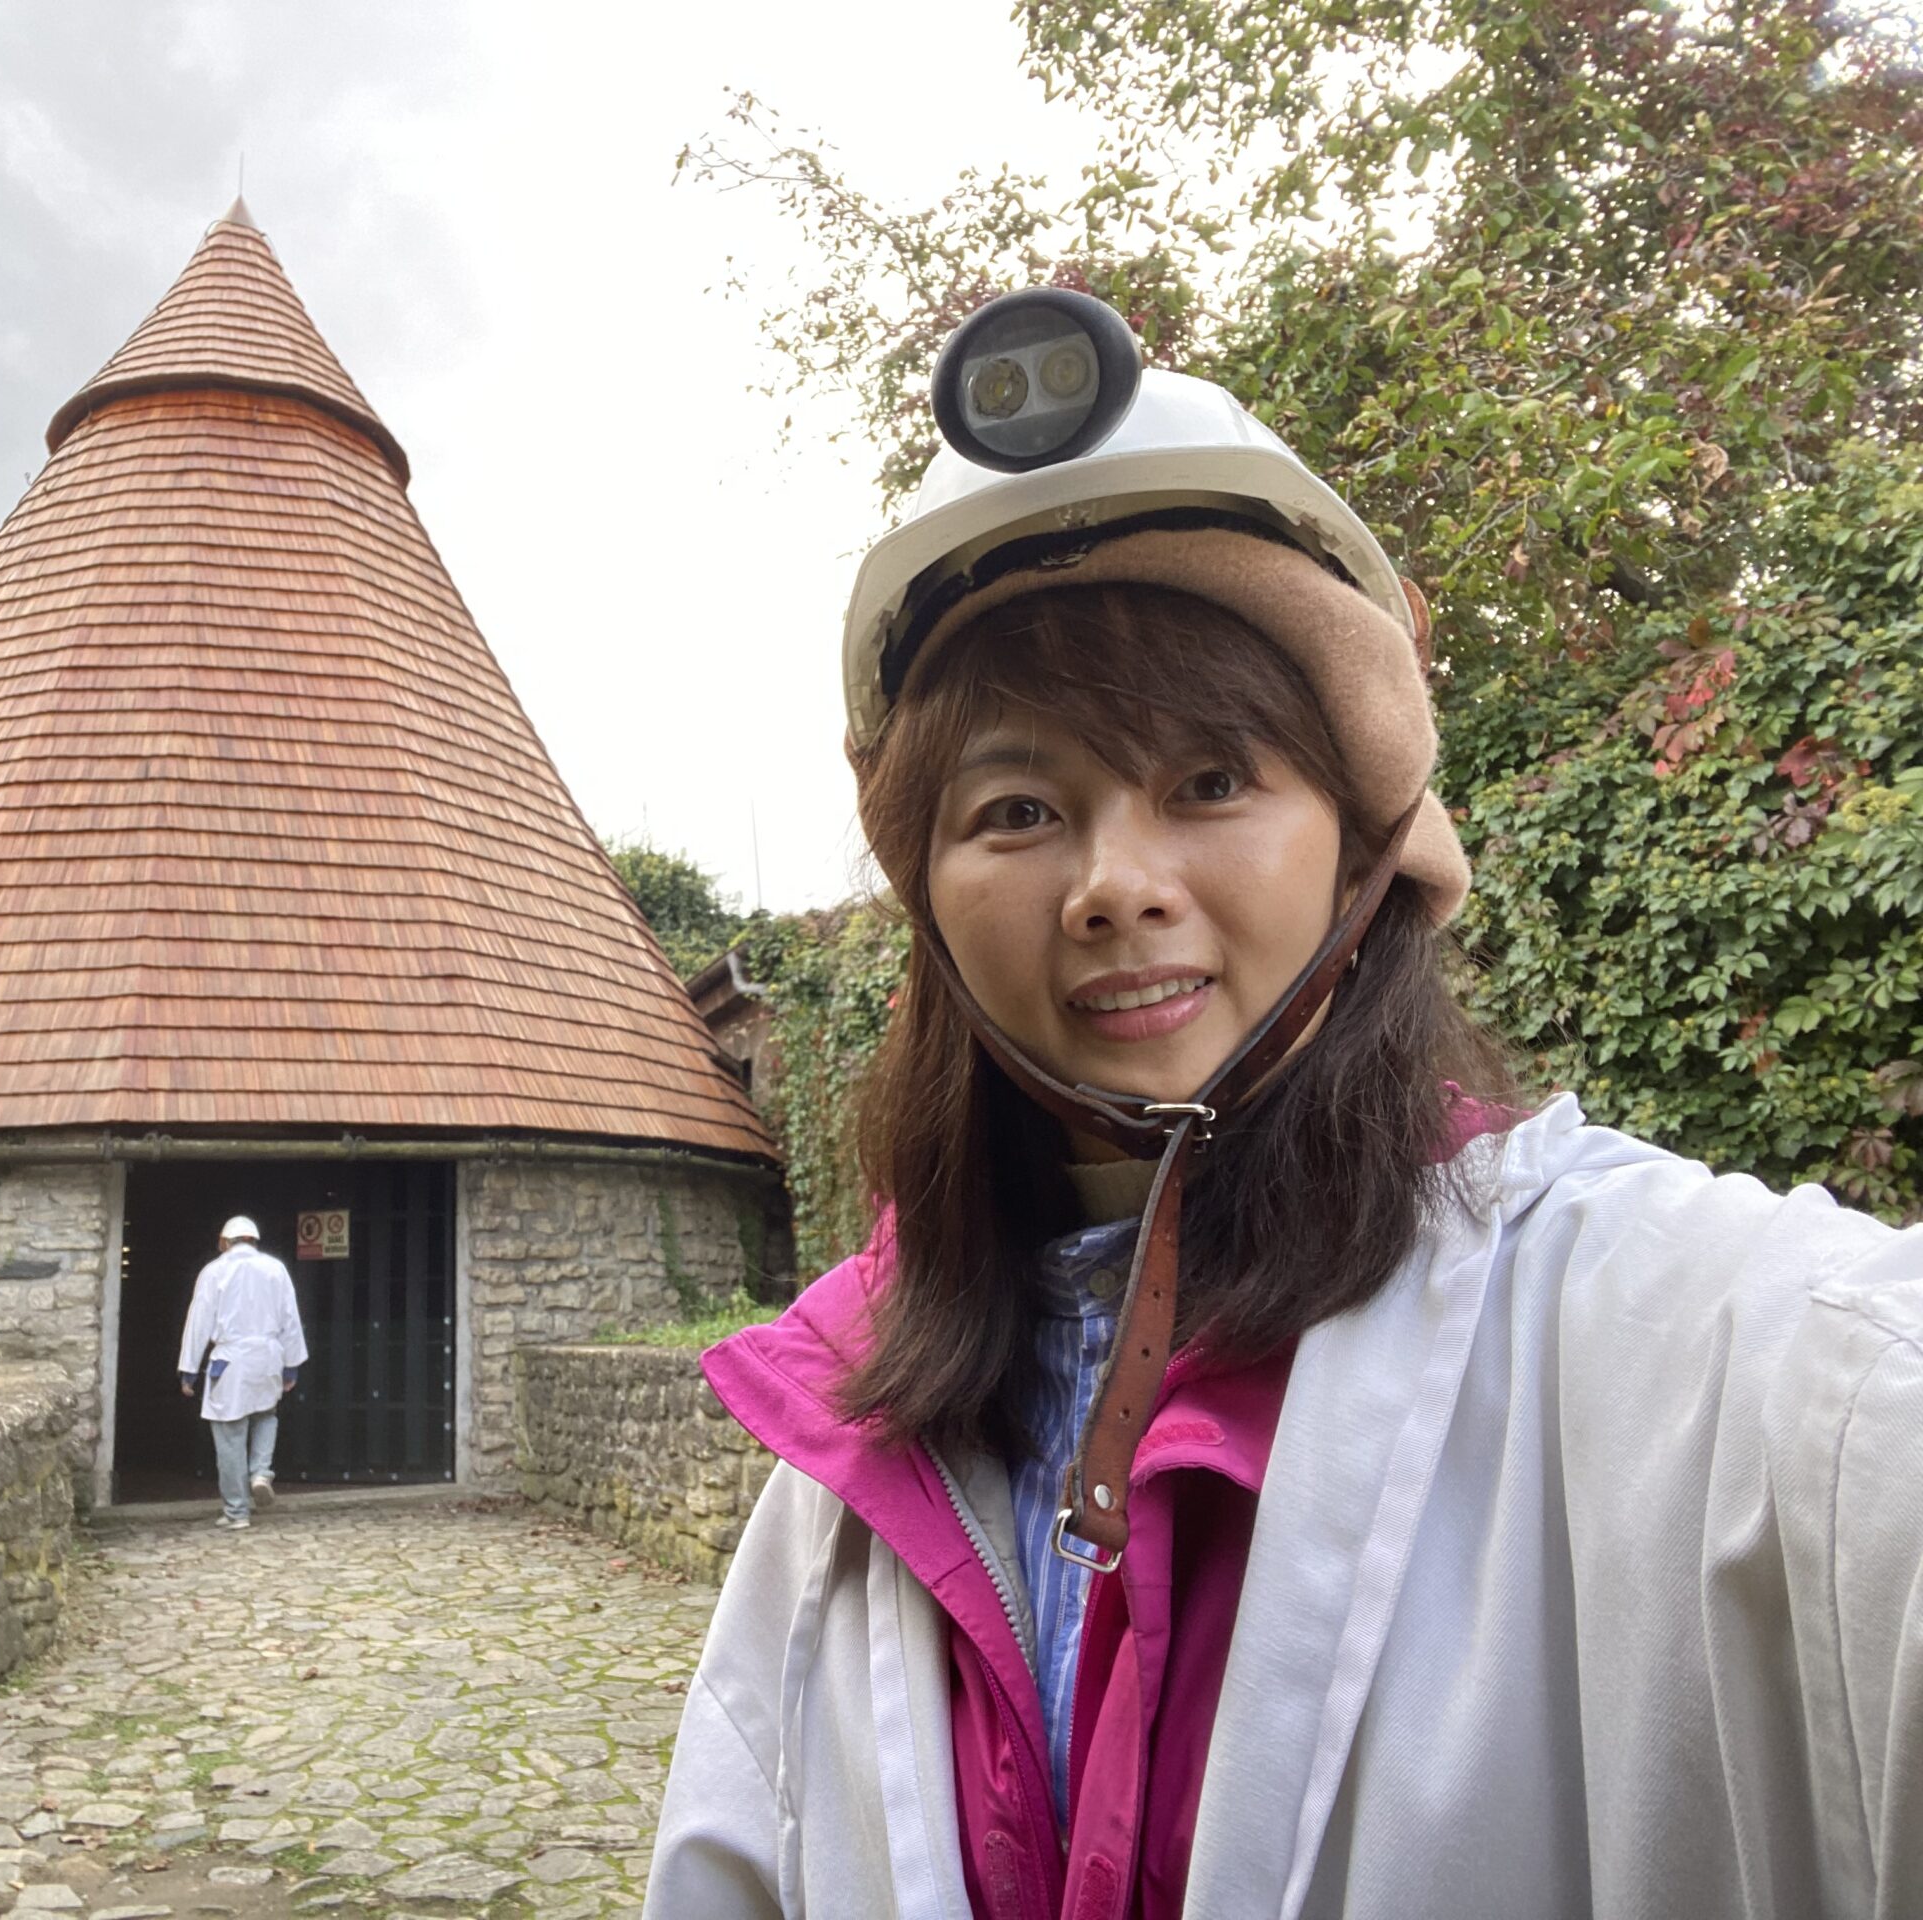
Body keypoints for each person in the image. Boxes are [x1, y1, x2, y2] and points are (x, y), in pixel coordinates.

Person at [643, 289, 1923, 1919]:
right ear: (928, 889)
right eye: (1019, 806)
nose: (1116, 885)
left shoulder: (1704, 1355)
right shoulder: (848, 1447)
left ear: (1364, 837)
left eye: (1213, 781)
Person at [176, 1214, 308, 1530]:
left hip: (230, 1359)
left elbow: (199, 1321)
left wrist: (189, 1369)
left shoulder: (214, 1271)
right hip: (268, 1355)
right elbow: (290, 1316)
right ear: (254, 1240)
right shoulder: (276, 1269)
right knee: (266, 1413)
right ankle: (261, 1472)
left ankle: (237, 1511)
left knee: (230, 1435)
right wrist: (292, 1364)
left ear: (224, 1242)